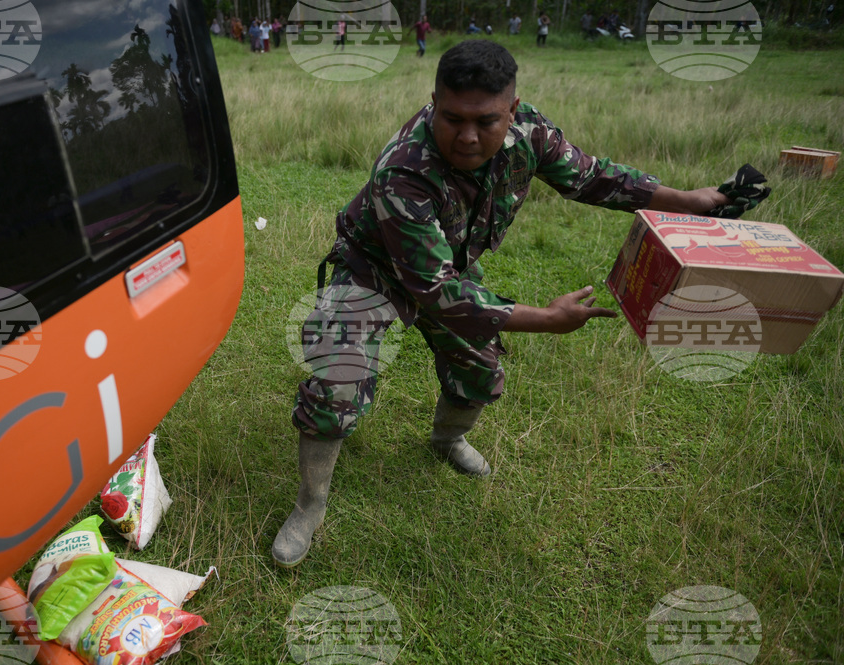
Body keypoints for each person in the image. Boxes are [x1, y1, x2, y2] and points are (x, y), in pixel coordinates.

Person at [270, 40, 733, 568]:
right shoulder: (403, 171)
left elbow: (591, 177)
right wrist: (550, 320)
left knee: (480, 367)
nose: (467, 136)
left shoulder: (529, 134)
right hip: (375, 271)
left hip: (451, 268)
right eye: (452, 118)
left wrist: (688, 200)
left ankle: (446, 441)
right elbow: (437, 293)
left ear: (512, 111)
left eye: (486, 121)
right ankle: (310, 505)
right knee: (337, 374)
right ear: (433, 103)